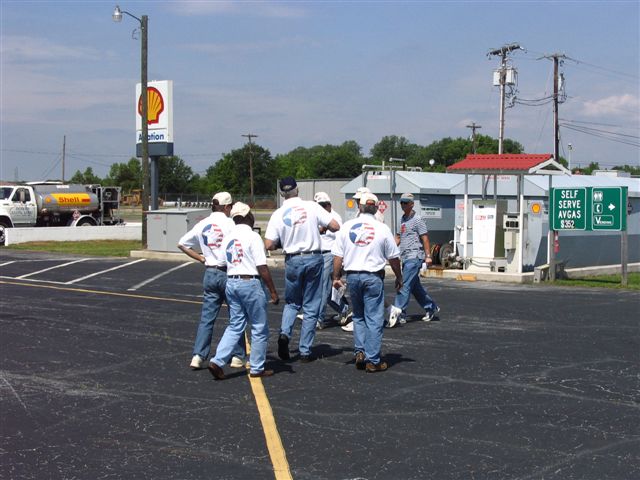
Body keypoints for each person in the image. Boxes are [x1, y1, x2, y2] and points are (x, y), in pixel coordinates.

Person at [264, 177, 340, 362]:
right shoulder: (312, 207)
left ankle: (285, 334)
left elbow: (268, 244)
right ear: (297, 190)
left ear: (282, 194)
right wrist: (318, 228)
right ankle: (305, 350)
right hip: (313, 257)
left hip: (293, 259)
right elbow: (335, 226)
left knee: (292, 302)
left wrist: (284, 241)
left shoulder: (278, 214)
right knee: (311, 305)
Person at [332, 192, 403, 373]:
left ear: (360, 207)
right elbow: (394, 257)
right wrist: (399, 276)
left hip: (353, 276)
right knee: (374, 317)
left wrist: (335, 277)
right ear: (377, 208)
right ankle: (373, 359)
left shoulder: (347, 227)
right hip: (373, 277)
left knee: (359, 316)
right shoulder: (382, 228)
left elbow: (338, 256)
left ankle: (360, 351)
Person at [208, 202, 280, 380]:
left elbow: (222, 264)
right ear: (248, 216)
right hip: (250, 282)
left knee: (235, 325)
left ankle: (217, 360)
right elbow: (261, 266)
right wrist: (272, 290)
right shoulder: (253, 236)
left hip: (232, 282)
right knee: (259, 326)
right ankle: (257, 367)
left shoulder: (228, 238)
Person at [178, 192, 245, 370]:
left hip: (210, 271)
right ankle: (237, 356)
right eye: (230, 206)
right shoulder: (230, 223)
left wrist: (201, 258)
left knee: (207, 317)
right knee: (235, 316)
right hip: (227, 272)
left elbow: (182, 243)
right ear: (225, 207)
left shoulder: (203, 224)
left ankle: (198, 355)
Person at [388, 192, 440, 327]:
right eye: (401, 202)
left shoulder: (418, 219)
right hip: (405, 257)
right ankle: (431, 307)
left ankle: (399, 313)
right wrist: (388, 250)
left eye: (406, 202)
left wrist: (428, 256)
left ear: (412, 204)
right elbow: (398, 237)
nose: (403, 205)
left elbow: (425, 238)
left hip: (414, 256)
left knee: (403, 284)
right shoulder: (403, 219)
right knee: (415, 288)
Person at [313, 192, 351, 329]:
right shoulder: (316, 215)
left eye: (324, 205)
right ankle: (344, 308)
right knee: (327, 291)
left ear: (329, 204)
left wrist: (341, 261)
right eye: (319, 205)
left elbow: (341, 240)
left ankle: (318, 318)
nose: (322, 207)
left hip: (330, 255)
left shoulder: (335, 218)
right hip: (317, 255)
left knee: (322, 288)